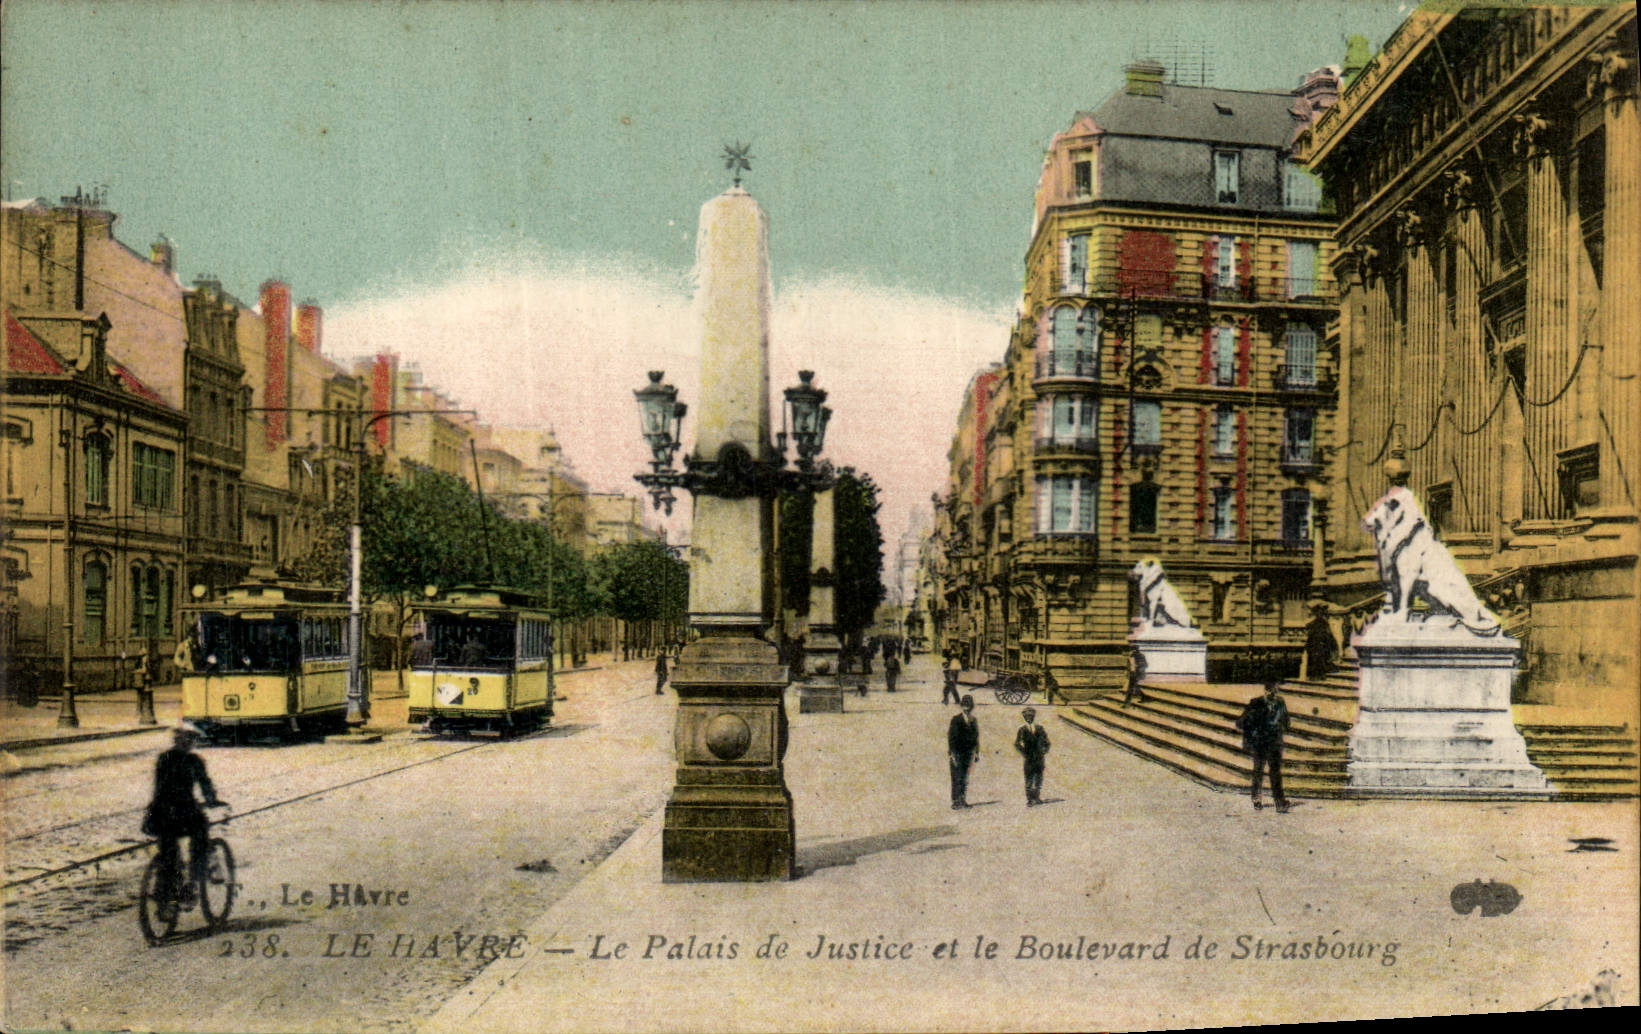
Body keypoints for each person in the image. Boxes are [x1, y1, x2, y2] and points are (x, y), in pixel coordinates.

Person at [142, 724, 224, 909]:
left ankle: (165, 889)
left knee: (168, 851)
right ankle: (192, 882)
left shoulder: (164, 758)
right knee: (200, 836)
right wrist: (212, 800)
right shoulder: (194, 761)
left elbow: (160, 788)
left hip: (160, 814)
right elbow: (205, 784)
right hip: (185, 812)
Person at [1235, 678, 1291, 812]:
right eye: (1271, 690)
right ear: (1266, 690)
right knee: (1259, 770)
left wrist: (1280, 727)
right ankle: (1257, 799)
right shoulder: (1256, 703)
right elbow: (1240, 723)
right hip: (1260, 743)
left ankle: (1279, 802)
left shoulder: (1280, 702)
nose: (1273, 693)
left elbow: (1287, 723)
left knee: (1274, 772)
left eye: (1275, 690)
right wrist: (1253, 730)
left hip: (1274, 744)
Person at [947, 695, 979, 809]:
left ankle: (962, 799)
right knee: (956, 776)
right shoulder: (956, 719)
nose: (967, 708)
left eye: (969, 706)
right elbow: (951, 737)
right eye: (965, 706)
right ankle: (955, 801)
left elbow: (976, 737)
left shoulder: (973, 720)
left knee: (964, 777)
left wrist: (976, 752)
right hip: (957, 753)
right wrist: (952, 753)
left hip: (968, 753)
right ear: (961, 706)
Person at [1014, 707, 1051, 806]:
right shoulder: (1022, 730)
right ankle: (1030, 799)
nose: (1029, 718)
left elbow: (1047, 742)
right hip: (1029, 758)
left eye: (1031, 716)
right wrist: (1024, 753)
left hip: (1039, 757)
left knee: (1038, 777)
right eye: (1027, 717)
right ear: (1024, 718)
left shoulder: (1040, 728)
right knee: (1029, 778)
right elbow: (1017, 743)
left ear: (1034, 717)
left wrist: (1044, 750)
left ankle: (1037, 797)